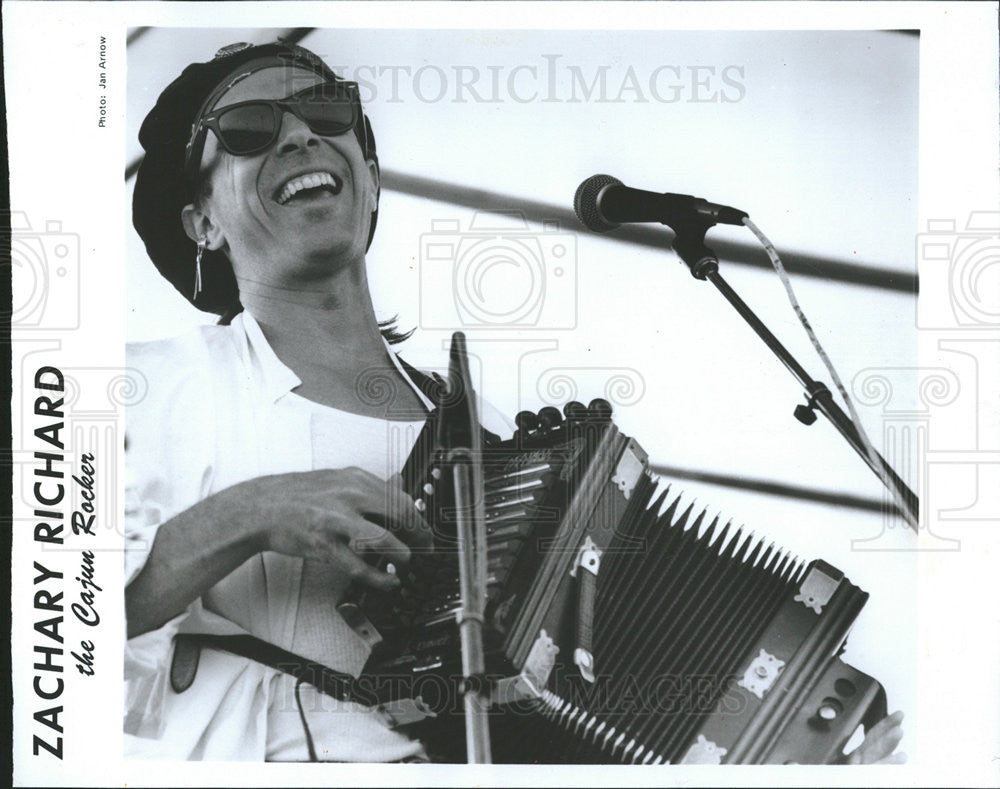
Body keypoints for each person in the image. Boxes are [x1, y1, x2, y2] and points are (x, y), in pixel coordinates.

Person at [124, 39, 904, 764]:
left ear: (370, 183)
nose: (300, 136)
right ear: (201, 221)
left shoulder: (491, 446)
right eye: (250, 127)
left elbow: (576, 712)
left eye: (328, 112)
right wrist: (247, 513)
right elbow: (45, 637)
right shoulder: (147, 390)